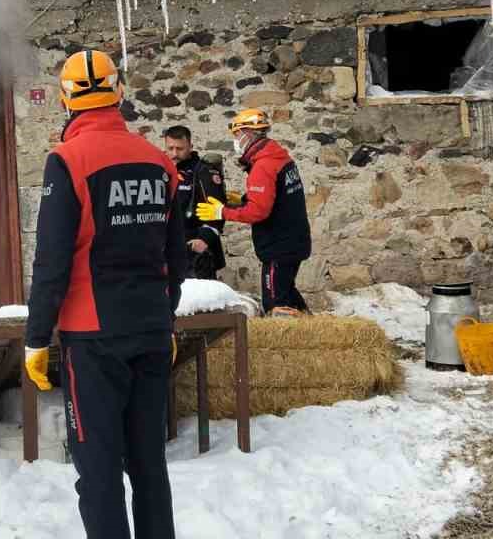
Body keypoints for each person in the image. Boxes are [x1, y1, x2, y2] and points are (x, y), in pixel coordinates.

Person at [24, 50, 186, 539]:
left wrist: (35, 339)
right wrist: (165, 316)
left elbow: (51, 261)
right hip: (152, 331)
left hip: (93, 340)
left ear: (66, 100)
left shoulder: (66, 160)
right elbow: (176, 258)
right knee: (149, 466)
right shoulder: (160, 162)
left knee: (98, 471)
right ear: (119, 92)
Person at [195, 108, 312, 316]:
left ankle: (286, 345)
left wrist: (222, 212)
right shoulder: (278, 156)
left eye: (237, 135)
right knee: (288, 292)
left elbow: (258, 212)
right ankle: (312, 329)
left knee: (276, 304)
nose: (236, 140)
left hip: (279, 247)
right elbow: (277, 197)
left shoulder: (262, 166)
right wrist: (241, 200)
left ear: (248, 133)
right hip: (294, 240)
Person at [161, 125, 226, 280]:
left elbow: (217, 209)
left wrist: (204, 239)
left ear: (190, 146)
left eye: (180, 148)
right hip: (169, 250)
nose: (174, 153)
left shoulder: (203, 172)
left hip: (195, 251)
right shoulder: (162, 170)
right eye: (170, 148)